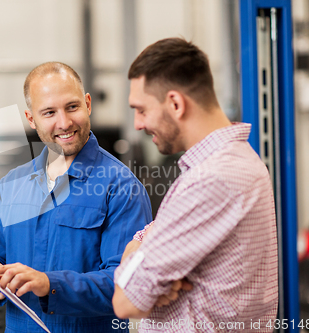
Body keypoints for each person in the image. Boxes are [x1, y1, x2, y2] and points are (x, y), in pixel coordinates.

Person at [0, 62, 152, 332]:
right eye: (49, 112)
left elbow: (128, 284)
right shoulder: (13, 184)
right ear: (31, 119)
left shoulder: (122, 186)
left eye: (72, 107)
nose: (64, 122)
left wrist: (49, 285)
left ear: (88, 104)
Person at [112, 38, 278, 332]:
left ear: (175, 103)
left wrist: (134, 261)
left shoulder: (212, 179)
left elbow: (126, 302)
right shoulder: (237, 160)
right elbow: (146, 238)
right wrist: (139, 246)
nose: (137, 123)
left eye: (141, 109)